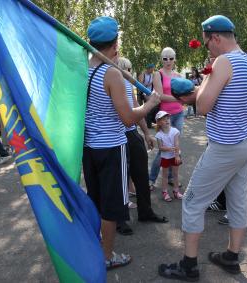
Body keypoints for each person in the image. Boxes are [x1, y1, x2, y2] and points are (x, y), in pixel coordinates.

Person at [158, 15, 247, 280]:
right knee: (237, 201)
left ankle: (189, 265)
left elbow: (204, 107)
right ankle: (231, 256)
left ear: (215, 37)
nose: (208, 48)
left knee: (193, 202)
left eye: (207, 43)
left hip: (226, 146)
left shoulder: (223, 62)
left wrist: (203, 88)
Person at [82, 17, 160, 270]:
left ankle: (95, 247)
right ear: (115, 45)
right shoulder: (111, 73)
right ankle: (106, 257)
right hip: (111, 148)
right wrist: (149, 105)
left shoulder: (83, 70)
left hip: (89, 148)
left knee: (96, 199)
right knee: (112, 205)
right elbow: (127, 117)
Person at [115, 57, 168, 236]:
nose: (131, 73)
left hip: (132, 134)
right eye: (128, 69)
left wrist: (146, 133)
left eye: (131, 69)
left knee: (141, 174)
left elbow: (137, 108)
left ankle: (145, 212)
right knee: (120, 179)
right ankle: (120, 220)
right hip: (117, 136)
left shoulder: (128, 86)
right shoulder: (113, 83)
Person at [149, 47, 184, 190]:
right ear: (161, 59)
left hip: (179, 114)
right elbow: (160, 95)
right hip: (164, 116)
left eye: (171, 58)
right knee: (162, 150)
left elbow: (186, 94)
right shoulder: (158, 74)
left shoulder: (179, 75)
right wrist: (178, 98)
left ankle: (170, 177)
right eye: (165, 58)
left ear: (175, 59)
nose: (168, 61)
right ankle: (151, 179)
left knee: (175, 148)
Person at [154, 110, 183, 202]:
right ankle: (165, 192)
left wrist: (177, 155)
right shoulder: (159, 135)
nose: (167, 120)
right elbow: (160, 148)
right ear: (158, 122)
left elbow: (177, 144)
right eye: (163, 119)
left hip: (175, 156)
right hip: (165, 157)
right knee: (165, 175)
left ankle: (176, 191)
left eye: (168, 118)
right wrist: (169, 149)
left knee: (175, 174)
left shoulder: (175, 131)